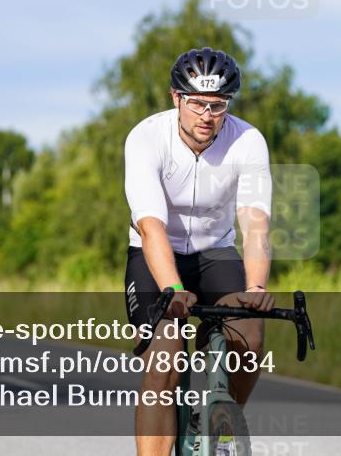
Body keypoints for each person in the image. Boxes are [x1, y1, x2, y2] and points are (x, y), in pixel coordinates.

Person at [124, 47, 273, 456]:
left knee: (249, 334)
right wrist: (172, 287)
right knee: (166, 355)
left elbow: (256, 224)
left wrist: (256, 287)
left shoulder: (247, 140)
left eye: (218, 105)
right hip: (155, 254)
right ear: (176, 98)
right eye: (197, 104)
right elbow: (151, 226)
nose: (207, 115)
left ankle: (219, 424)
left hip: (215, 252)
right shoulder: (146, 138)